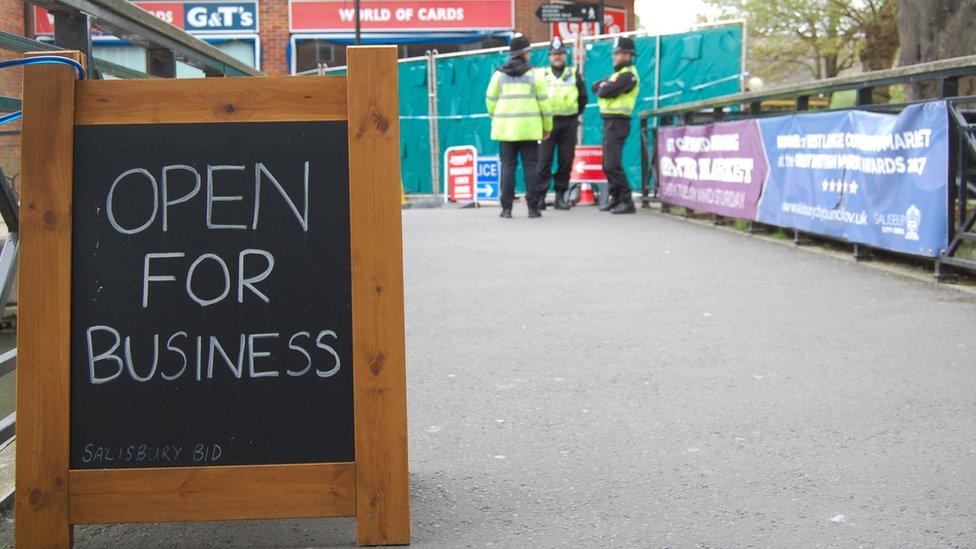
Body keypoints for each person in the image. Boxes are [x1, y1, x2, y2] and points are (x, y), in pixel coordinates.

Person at [485, 35, 552, 219]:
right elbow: (545, 105)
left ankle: (506, 209)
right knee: (531, 168)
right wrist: (547, 127)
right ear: (523, 53)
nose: (530, 54)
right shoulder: (535, 75)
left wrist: (497, 117)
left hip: (505, 130)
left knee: (508, 167)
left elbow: (490, 100)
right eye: (529, 51)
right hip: (529, 130)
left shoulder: (499, 75)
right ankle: (533, 208)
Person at [535, 37, 587, 211]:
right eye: (554, 54)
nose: (557, 57)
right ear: (549, 56)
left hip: (568, 123)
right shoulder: (542, 75)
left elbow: (583, 98)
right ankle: (540, 197)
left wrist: (574, 114)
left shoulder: (574, 73)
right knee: (544, 161)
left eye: (560, 54)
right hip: (548, 123)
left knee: (565, 161)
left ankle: (560, 196)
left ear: (565, 55)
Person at [591, 36, 640, 214]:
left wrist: (604, 87)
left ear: (628, 55)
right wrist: (603, 87)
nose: (614, 56)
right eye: (614, 53)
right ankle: (616, 197)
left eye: (618, 53)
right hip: (610, 121)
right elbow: (595, 86)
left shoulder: (628, 75)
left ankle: (627, 200)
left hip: (618, 122)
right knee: (607, 163)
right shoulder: (617, 74)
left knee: (612, 163)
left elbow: (603, 91)